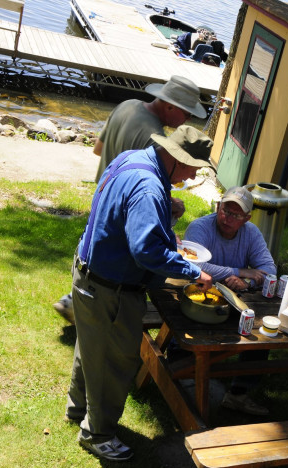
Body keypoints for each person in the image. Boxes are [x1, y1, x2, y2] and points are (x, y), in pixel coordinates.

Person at [65, 125, 214, 462]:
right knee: (115, 360)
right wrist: (193, 272)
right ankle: (97, 433)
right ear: (175, 158)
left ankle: (78, 410)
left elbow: (123, 208)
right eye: (193, 166)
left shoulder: (134, 160)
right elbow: (146, 250)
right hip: (112, 287)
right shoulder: (149, 187)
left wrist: (165, 210)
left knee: (90, 347)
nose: (193, 175)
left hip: (89, 274)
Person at [53, 75, 207, 324]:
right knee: (114, 270)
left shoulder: (128, 104)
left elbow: (98, 149)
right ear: (170, 106)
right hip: (125, 218)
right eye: (187, 112)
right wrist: (170, 208)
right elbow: (149, 203)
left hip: (106, 198)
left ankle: (78, 304)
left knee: (97, 257)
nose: (187, 119)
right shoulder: (155, 139)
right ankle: (85, 308)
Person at [184, 186, 275, 416]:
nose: (227, 218)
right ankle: (181, 371)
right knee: (187, 341)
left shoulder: (251, 233)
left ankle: (239, 394)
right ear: (218, 206)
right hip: (198, 300)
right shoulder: (200, 227)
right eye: (225, 210)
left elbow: (269, 270)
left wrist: (247, 284)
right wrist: (237, 271)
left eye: (236, 215)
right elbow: (193, 265)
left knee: (262, 335)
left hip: (233, 303)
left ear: (247, 218)